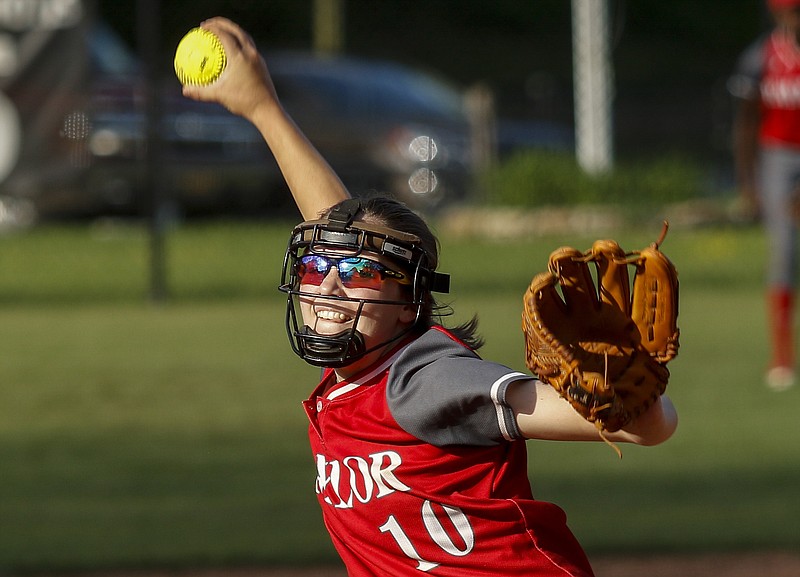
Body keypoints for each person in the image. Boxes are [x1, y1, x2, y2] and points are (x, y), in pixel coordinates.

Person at [183, 17, 678, 577]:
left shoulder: (423, 382)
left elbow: (638, 427)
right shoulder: (358, 375)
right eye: (316, 266)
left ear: (409, 298)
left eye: (358, 273)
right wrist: (263, 108)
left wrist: (635, 399)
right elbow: (340, 226)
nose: (328, 286)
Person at [729, 0, 800, 391]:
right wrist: (747, 182)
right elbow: (745, 121)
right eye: (791, 10)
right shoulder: (761, 57)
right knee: (784, 251)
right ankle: (783, 355)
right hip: (777, 157)